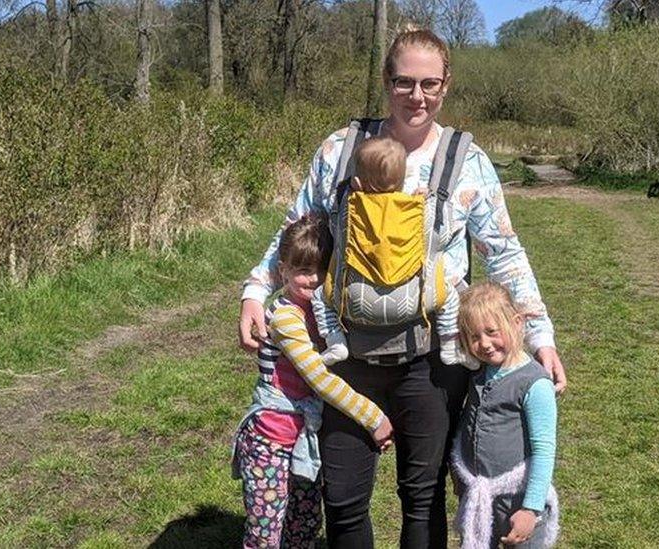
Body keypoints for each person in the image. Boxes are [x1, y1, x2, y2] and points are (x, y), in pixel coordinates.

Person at [238, 27, 567, 548]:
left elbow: (504, 251)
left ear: (446, 84)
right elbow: (296, 226)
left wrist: (540, 335)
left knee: (422, 498)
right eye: (404, 82)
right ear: (386, 81)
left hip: (432, 361)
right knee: (343, 499)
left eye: (430, 84)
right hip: (344, 356)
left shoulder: (468, 163)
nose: (417, 96)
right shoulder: (341, 152)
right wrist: (257, 290)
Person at [231, 215, 395, 548]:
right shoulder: (286, 317)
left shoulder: (321, 309)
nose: (314, 280)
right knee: (265, 533)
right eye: (304, 271)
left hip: (305, 441)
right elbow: (319, 379)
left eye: (322, 271)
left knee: (302, 527)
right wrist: (373, 417)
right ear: (284, 270)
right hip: (270, 441)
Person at [313, 136, 474, 369]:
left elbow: (332, 227)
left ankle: (335, 340)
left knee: (320, 297)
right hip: (413, 304)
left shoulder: (347, 209)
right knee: (449, 296)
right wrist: (423, 200)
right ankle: (450, 345)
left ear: (357, 183)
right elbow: (444, 234)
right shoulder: (419, 211)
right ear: (401, 182)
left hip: (353, 304)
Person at [449, 281, 559, 549]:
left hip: (516, 500)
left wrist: (530, 509)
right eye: (474, 337)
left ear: (517, 322)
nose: (484, 344)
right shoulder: (479, 373)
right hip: (482, 499)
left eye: (491, 332)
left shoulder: (534, 383)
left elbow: (544, 450)